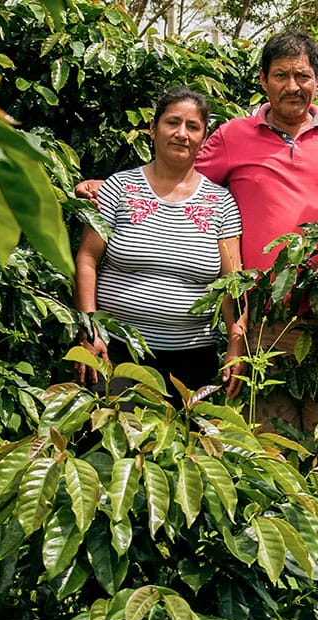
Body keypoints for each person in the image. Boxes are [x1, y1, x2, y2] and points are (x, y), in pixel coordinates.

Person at [77, 31, 318, 432]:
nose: (292, 86)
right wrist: (109, 185)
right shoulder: (234, 136)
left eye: (302, 76)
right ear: (264, 81)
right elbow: (179, 171)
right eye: (280, 75)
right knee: (264, 440)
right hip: (263, 317)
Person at [74, 86, 245, 403]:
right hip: (114, 352)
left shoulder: (221, 203)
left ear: (204, 138)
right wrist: (90, 329)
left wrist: (235, 343)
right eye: (172, 122)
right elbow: (87, 260)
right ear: (152, 129)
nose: (182, 134)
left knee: (185, 450)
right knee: (107, 447)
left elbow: (231, 282)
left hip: (191, 363)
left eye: (193, 127)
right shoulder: (118, 188)